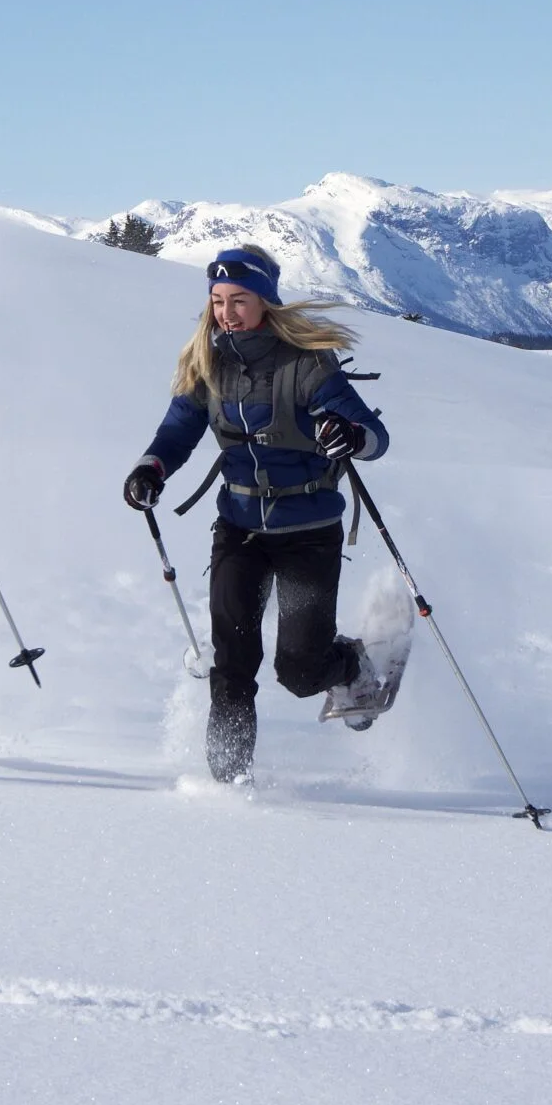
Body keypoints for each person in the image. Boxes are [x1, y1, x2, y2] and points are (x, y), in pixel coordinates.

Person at [123, 244, 391, 783]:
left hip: (308, 533)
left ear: (266, 301)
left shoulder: (307, 363)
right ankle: (229, 782)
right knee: (232, 664)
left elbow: (375, 438)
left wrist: (349, 435)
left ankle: (350, 665)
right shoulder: (208, 363)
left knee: (297, 670)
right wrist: (151, 468)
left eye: (238, 299)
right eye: (218, 300)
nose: (226, 311)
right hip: (240, 529)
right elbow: (178, 429)